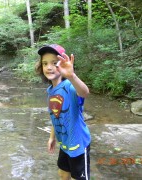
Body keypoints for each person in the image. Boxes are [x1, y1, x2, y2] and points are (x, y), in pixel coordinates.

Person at [36, 44, 91, 180]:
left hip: (78, 145)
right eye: (45, 63)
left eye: (55, 63)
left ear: (63, 65)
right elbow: (55, 117)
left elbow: (84, 92)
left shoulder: (70, 86)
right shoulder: (50, 91)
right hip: (65, 144)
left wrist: (72, 76)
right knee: (62, 174)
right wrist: (51, 137)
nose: (49, 67)